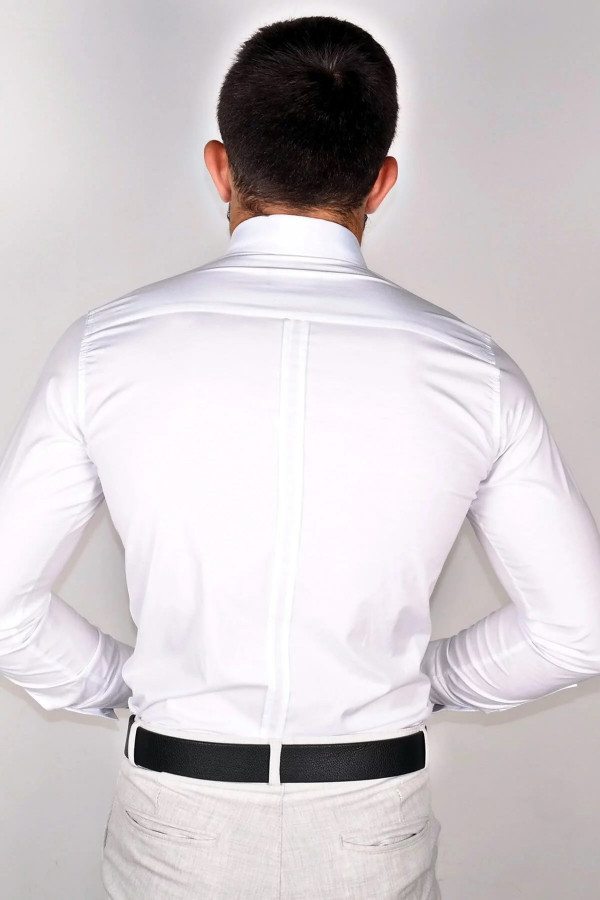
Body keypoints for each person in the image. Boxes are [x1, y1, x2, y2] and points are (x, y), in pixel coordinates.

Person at [1, 14, 600, 900]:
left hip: (176, 813)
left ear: (220, 167)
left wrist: (128, 687)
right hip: (370, 820)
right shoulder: (476, 371)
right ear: (382, 180)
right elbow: (577, 629)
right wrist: (425, 681)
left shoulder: (101, 349)